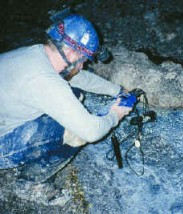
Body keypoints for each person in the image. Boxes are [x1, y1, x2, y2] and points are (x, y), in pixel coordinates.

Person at [0, 14, 132, 181]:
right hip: (3, 145)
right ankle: (32, 180)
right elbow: (91, 132)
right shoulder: (44, 80)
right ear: (70, 53)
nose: (83, 65)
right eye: (83, 59)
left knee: (75, 94)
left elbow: (77, 77)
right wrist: (116, 114)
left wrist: (117, 90)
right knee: (75, 133)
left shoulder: (36, 53)